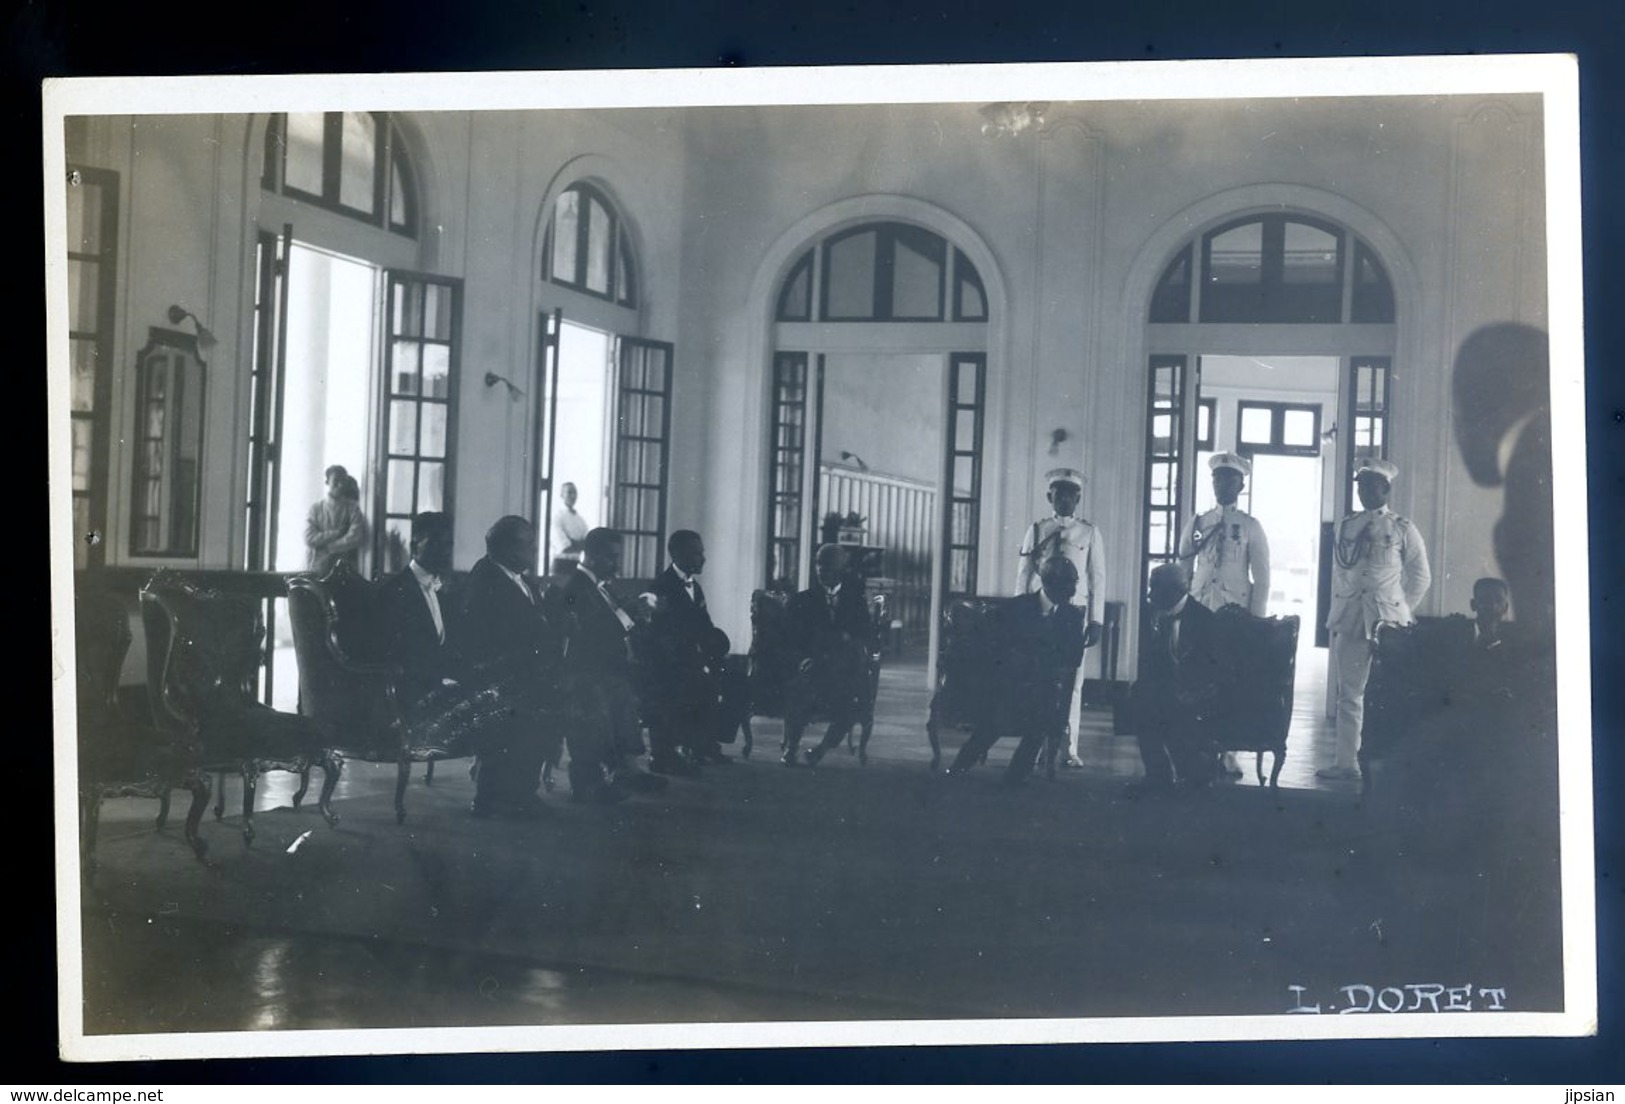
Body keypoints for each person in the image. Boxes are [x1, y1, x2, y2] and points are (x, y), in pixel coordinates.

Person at [372, 511, 525, 815]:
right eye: (436, 543)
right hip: (408, 695)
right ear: (415, 544)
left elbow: (454, 649)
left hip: (439, 688)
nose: (445, 550)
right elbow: (392, 654)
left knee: (509, 697)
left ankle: (503, 793)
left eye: (448, 543)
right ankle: (490, 798)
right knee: (496, 705)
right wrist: (444, 681)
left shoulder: (447, 591)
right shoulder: (395, 592)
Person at [1319, 458, 1431, 782]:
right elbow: (1341, 572)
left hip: (1388, 623)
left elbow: (1421, 577)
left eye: (1372, 485)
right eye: (1361, 485)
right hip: (1352, 618)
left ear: (1386, 488)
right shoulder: (1346, 525)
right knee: (1349, 693)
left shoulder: (1402, 528)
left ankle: (1395, 763)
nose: (1365, 490)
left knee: (1391, 695)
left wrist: (1399, 611)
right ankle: (1345, 763)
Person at [455, 515, 565, 818]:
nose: (533, 551)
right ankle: (495, 798)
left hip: (521, 674)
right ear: (505, 548)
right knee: (529, 709)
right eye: (527, 545)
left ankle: (520, 793)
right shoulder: (486, 580)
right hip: (494, 679)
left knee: (551, 702)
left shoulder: (519, 578)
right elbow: (490, 641)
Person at [945, 556, 1087, 785]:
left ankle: (1015, 777)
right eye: (1067, 585)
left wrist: (1039, 662)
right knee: (995, 719)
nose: (1072, 592)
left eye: (1074, 584)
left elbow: (1074, 657)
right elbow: (993, 646)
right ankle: (959, 768)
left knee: (1041, 717)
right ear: (1049, 583)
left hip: (1043, 688)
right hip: (1008, 686)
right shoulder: (1017, 608)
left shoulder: (1070, 617)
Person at [545, 526, 657, 802]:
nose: (616, 564)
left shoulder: (600, 587)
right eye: (611, 557)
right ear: (593, 556)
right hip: (582, 670)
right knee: (599, 697)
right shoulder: (574, 587)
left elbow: (607, 622)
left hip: (603, 669)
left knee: (622, 693)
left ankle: (625, 767)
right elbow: (574, 623)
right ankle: (587, 780)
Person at [1177, 451, 1271, 777]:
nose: (1223, 483)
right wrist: (1180, 608)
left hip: (1234, 614)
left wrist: (1255, 620)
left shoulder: (1249, 526)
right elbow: (1184, 566)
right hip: (1201, 609)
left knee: (1229, 683)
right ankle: (1198, 748)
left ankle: (1228, 752)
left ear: (1241, 484)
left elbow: (1262, 577)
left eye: (1230, 478)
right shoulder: (1199, 523)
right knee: (1197, 678)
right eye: (1218, 477)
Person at [1015, 468, 1105, 769]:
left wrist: (1096, 620)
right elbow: (1024, 575)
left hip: (1073, 617)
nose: (1065, 499)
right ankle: (1037, 742)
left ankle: (1067, 748)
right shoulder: (1037, 530)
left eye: (1071, 494)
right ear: (1049, 496)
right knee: (1038, 680)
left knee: (1072, 682)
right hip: (1041, 615)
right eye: (1059, 493)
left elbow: (1097, 580)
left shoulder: (1089, 533)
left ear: (1078, 498)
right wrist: (1021, 614)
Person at [1125, 561, 1227, 794]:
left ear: (1175, 591)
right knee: (1140, 699)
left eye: (1155, 588)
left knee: (1171, 710)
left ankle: (1192, 773)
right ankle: (1158, 775)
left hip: (1199, 692)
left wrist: (1194, 693)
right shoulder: (1152, 614)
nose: (1149, 595)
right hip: (1169, 689)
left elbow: (1218, 670)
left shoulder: (1205, 620)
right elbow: (1152, 662)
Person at [640, 530, 731, 774]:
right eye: (696, 553)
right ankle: (668, 753)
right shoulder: (661, 586)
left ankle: (703, 744)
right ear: (677, 554)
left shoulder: (696, 588)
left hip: (692, 657)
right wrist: (696, 659)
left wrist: (716, 649)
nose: (703, 558)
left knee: (732, 679)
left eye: (702, 552)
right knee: (692, 682)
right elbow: (660, 636)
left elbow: (705, 626)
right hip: (668, 663)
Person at [782, 543, 878, 768]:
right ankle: (790, 748)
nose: (820, 570)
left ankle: (821, 749)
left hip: (842, 671)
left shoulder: (855, 600)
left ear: (842, 570)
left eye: (827, 566)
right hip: (811, 668)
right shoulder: (802, 600)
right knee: (799, 692)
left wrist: (848, 641)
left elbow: (865, 634)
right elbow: (789, 641)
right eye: (818, 564)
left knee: (853, 705)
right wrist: (802, 660)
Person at [305, 465, 368, 575]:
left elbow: (355, 536)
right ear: (327, 482)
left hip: (344, 568)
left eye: (343, 481)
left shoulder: (352, 508)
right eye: (336, 481)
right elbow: (309, 538)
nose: (340, 485)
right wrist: (337, 533)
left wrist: (328, 547)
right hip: (317, 567)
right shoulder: (316, 509)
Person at [550, 482, 590, 571]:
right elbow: (564, 547)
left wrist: (575, 543)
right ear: (562, 495)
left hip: (576, 564)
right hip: (561, 564)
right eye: (569, 492)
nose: (572, 496)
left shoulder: (580, 520)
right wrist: (579, 545)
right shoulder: (557, 517)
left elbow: (588, 544)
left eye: (575, 493)